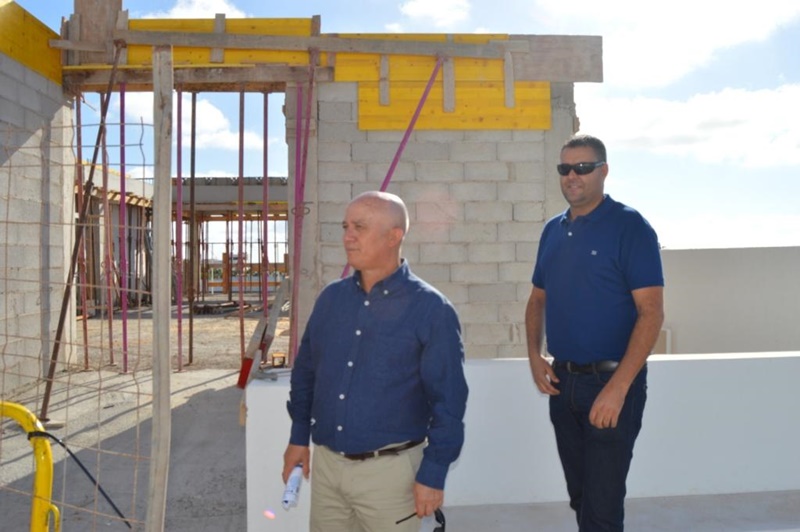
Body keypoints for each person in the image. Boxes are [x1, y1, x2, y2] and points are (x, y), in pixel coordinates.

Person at [283, 190, 468, 532]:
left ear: (393, 236)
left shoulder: (431, 309)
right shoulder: (331, 299)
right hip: (327, 470)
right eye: (345, 226)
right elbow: (306, 373)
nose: (347, 236)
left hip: (392, 477)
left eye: (360, 227)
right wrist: (298, 438)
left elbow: (449, 400)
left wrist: (434, 472)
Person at [525, 134, 664, 531]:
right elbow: (537, 300)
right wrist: (534, 355)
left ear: (603, 171)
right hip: (562, 383)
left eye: (583, 167)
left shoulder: (630, 227)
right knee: (581, 498)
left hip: (611, 384)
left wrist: (618, 388)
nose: (573, 176)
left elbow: (651, 313)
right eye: (565, 168)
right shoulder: (552, 231)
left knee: (602, 509)